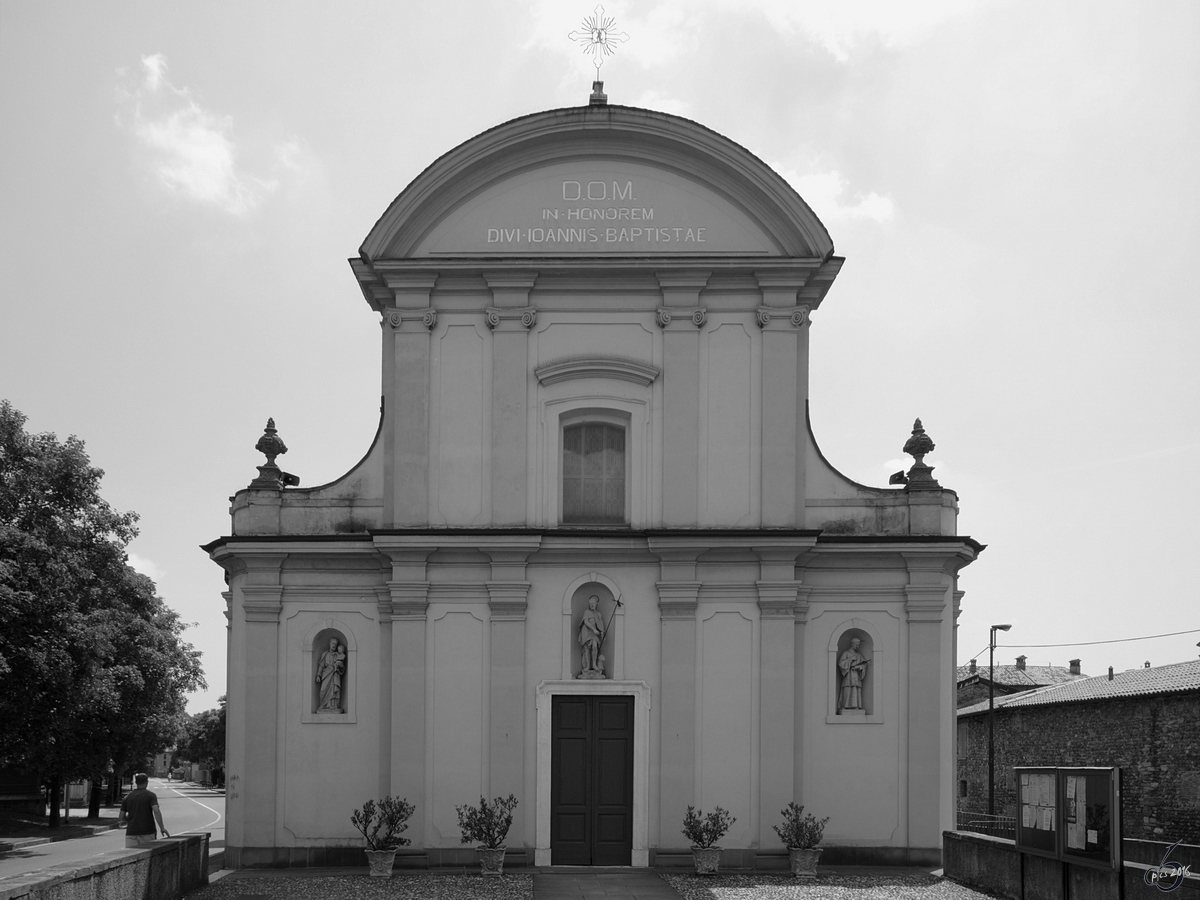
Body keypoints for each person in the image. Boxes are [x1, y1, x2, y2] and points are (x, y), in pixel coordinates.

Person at [118, 773, 168, 847]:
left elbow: (121, 817)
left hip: (131, 832)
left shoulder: (127, 797)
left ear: (136, 782)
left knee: (131, 856)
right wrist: (162, 827)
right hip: (148, 831)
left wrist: (130, 820)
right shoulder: (151, 796)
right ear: (146, 782)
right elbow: (156, 811)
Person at [315, 637, 346, 711]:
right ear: (330, 643)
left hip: (335, 674)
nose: (334, 645)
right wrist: (318, 675)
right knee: (323, 689)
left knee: (334, 689)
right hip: (326, 674)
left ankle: (333, 706)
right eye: (333, 643)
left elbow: (342, 667)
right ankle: (323, 704)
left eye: (336, 644)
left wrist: (340, 665)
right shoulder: (325, 654)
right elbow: (321, 665)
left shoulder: (338, 655)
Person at [838, 637, 869, 711]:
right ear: (852, 644)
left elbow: (864, 664)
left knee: (855, 689)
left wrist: (859, 667)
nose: (858, 646)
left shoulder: (859, 655)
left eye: (858, 645)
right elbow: (840, 663)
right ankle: (845, 705)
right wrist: (850, 660)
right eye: (856, 644)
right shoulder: (846, 653)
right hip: (848, 674)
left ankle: (856, 706)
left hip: (856, 674)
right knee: (847, 688)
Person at [578, 595, 604, 675]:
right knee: (587, 649)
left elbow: (600, 624)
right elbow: (586, 622)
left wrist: (602, 632)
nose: (592, 605)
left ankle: (594, 664)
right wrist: (593, 629)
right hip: (586, 632)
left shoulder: (598, 613)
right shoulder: (587, 612)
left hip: (594, 633)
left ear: (597, 604)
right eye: (590, 603)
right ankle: (588, 666)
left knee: (595, 647)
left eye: (593, 603)